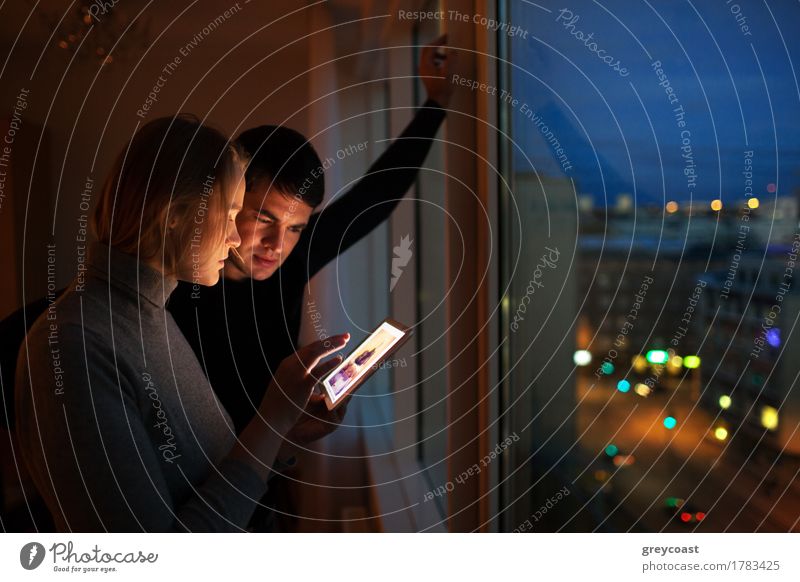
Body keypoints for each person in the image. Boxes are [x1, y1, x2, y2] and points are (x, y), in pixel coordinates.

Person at [14, 115, 348, 532]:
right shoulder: (77, 343)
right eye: (232, 214)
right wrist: (272, 419)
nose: (235, 238)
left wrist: (282, 436)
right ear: (175, 215)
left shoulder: (153, 315)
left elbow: (199, 477)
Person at [168, 35, 453, 438]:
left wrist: (436, 103)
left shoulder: (293, 258)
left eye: (296, 228)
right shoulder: (170, 286)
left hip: (261, 477)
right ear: (225, 199)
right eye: (263, 219)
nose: (277, 244)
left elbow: (375, 197)